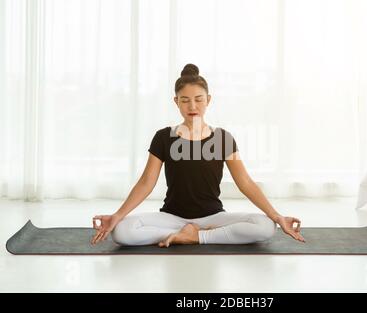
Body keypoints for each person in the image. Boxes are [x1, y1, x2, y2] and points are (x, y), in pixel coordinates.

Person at [91, 63, 305, 247]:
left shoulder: (223, 138)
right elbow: (147, 182)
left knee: (266, 226)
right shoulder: (163, 137)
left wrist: (277, 216)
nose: (192, 106)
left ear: (208, 100)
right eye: (184, 100)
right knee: (122, 230)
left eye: (198, 99)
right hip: (172, 217)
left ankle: (197, 237)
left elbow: (246, 183)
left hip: (213, 217)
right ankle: (185, 234)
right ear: (176, 101)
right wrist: (117, 216)